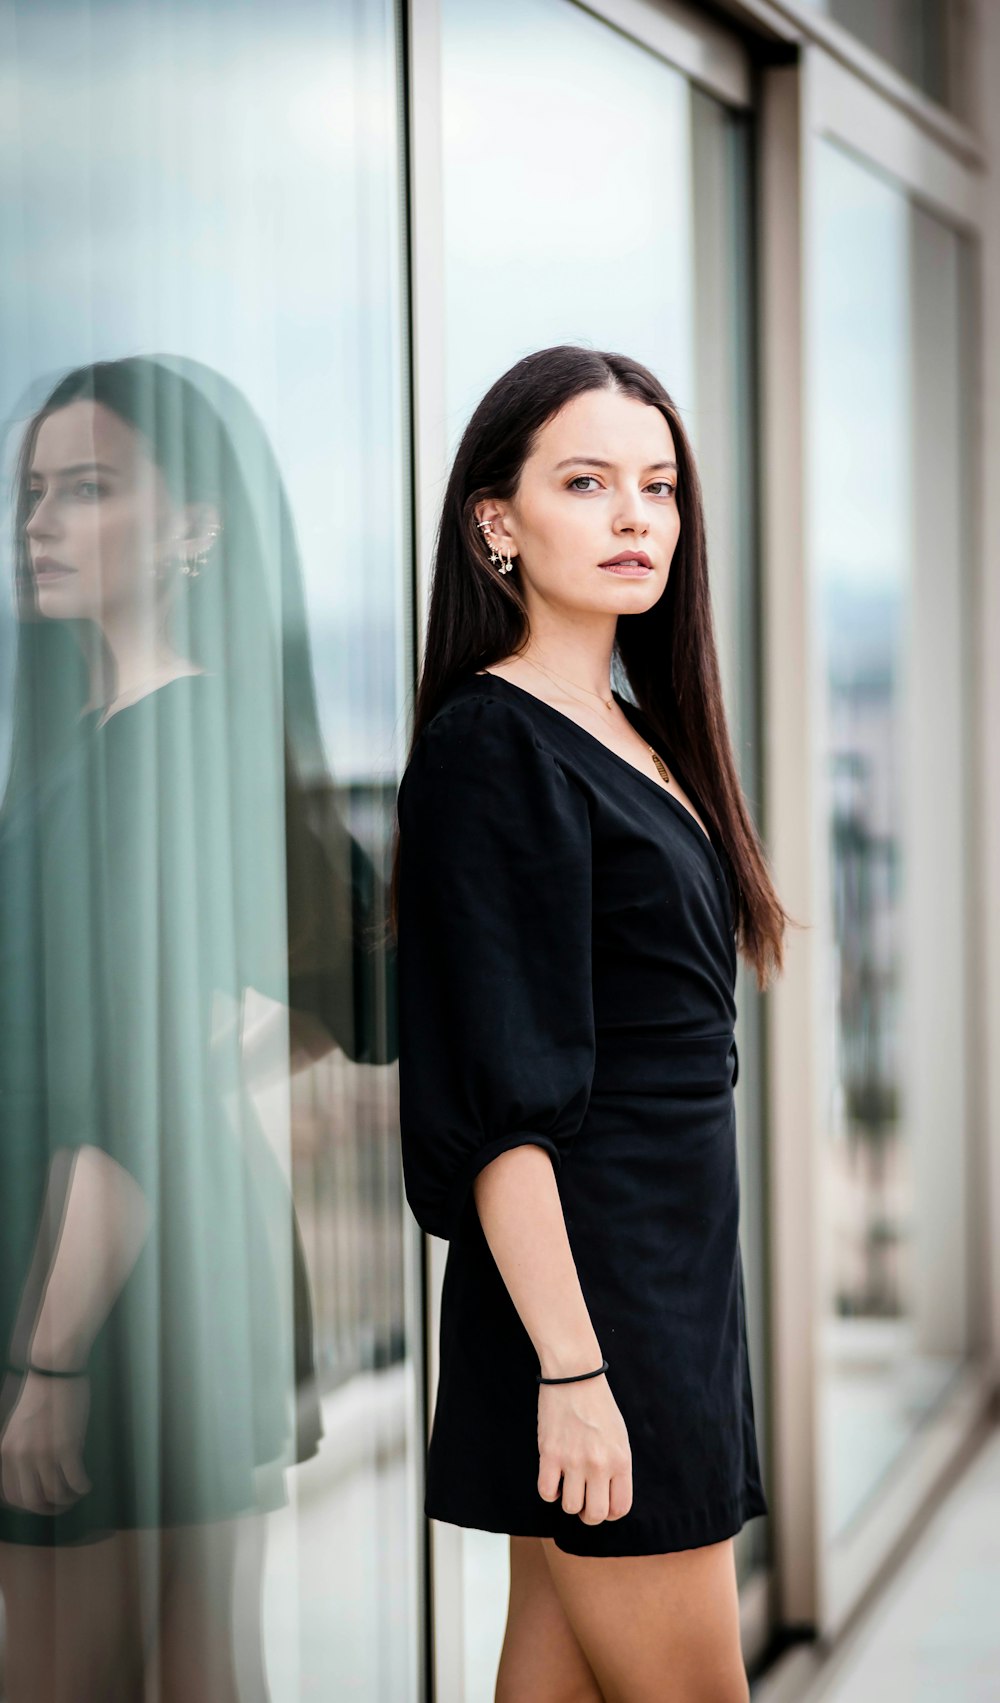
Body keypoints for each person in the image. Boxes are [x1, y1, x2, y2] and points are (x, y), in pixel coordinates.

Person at [392, 346, 793, 1702]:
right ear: (495, 521)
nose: (638, 517)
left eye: (660, 486)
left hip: (654, 1282)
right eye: (587, 481)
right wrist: (576, 1368)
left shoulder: (632, 728)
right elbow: (503, 1099)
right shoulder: (491, 747)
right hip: (598, 1303)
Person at [0, 355, 389, 1701]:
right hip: (185, 1263)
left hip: (100, 1290)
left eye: (88, 489)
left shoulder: (147, 756)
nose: (39, 524)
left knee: (73, 1676)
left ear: (194, 529)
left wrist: (48, 1356)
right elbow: (370, 987)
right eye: (34, 492)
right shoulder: (188, 735)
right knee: (202, 1666)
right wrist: (229, 1067)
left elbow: (118, 1087)